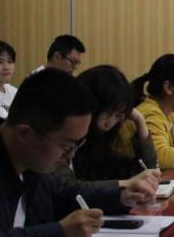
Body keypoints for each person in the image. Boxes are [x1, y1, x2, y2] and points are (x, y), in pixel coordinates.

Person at [0, 70, 156, 237]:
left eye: (78, 144)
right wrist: (59, 235)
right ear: (24, 133)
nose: (72, 154)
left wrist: (121, 195)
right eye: (67, 145)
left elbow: (63, 195)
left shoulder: (31, 160)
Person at [56, 65, 160, 194]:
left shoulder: (104, 139)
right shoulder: (66, 136)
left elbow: (146, 171)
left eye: (118, 115)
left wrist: (140, 121)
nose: (110, 123)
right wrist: (124, 184)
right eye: (108, 113)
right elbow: (67, 188)